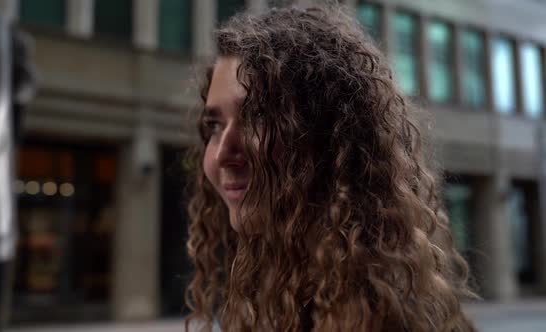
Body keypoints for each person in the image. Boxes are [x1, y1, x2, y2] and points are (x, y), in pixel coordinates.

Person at [184, 4, 478, 331]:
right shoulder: (274, 302)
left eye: (258, 116)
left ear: (333, 138)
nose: (222, 153)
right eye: (213, 126)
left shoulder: (384, 319)